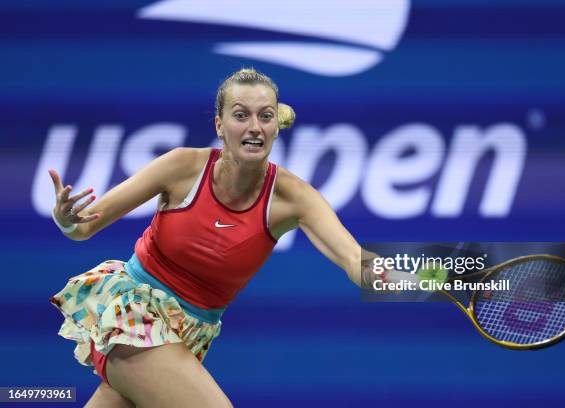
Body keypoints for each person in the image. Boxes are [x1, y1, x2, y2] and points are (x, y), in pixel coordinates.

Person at [49, 68, 383, 408]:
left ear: (275, 127)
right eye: (241, 115)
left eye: (265, 116)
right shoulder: (182, 167)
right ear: (220, 126)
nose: (254, 127)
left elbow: (355, 260)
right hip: (133, 317)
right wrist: (65, 220)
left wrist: (437, 277)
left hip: (188, 336)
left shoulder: (293, 197)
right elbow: (84, 227)